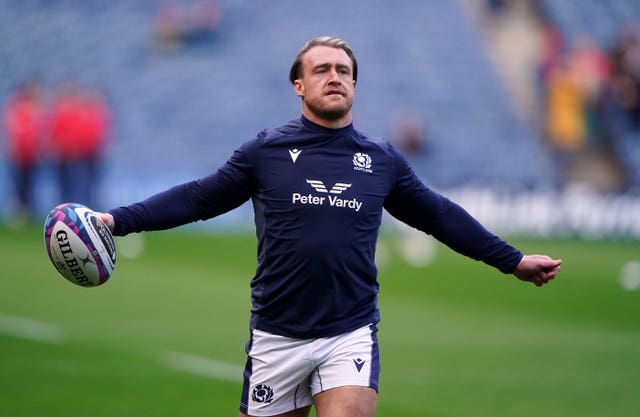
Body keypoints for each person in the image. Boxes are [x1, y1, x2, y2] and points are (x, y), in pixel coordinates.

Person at [98, 36, 562, 417]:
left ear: (355, 85)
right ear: (299, 86)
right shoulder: (265, 152)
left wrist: (512, 260)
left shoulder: (381, 159)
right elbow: (197, 199)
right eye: (321, 69)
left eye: (343, 70)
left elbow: (439, 216)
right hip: (277, 335)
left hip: (349, 331)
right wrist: (117, 221)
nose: (335, 76)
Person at [2, 80, 46, 223]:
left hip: (32, 156)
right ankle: (19, 213)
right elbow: (16, 133)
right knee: (19, 186)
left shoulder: (36, 109)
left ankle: (27, 213)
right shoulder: (18, 108)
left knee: (29, 185)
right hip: (20, 156)